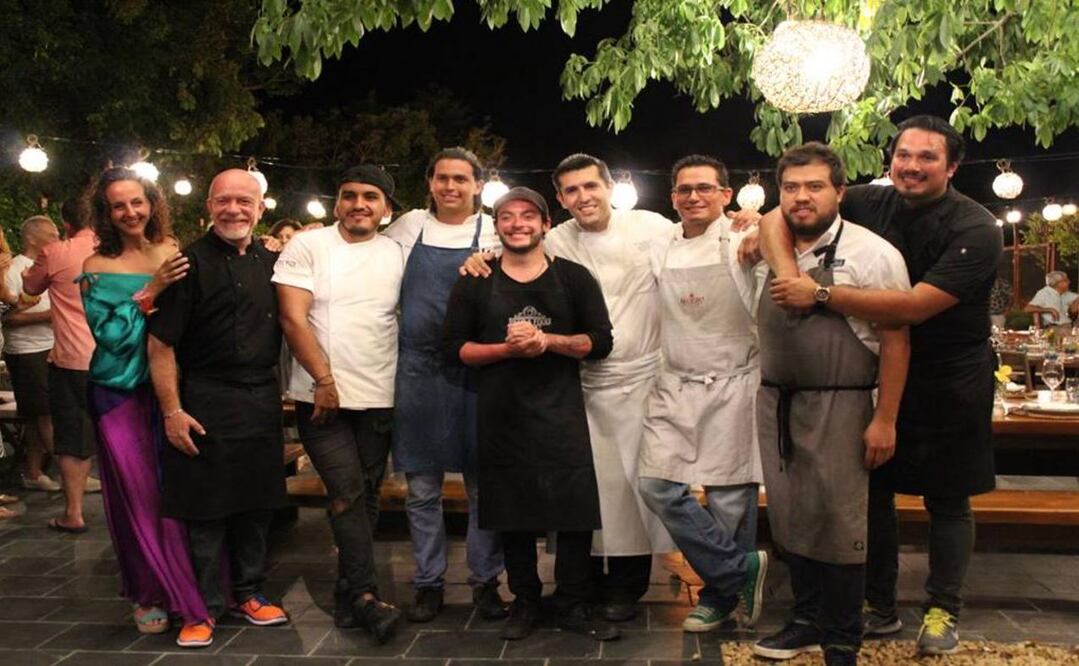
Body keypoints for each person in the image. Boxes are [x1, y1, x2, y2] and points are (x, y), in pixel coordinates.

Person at [761, 115, 1004, 655]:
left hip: (949, 374)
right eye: (904, 155)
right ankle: (879, 603)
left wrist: (818, 294)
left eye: (927, 157)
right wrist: (786, 275)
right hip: (872, 370)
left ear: (953, 166)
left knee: (948, 496)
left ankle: (943, 608)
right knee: (873, 491)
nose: (912, 166)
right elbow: (779, 213)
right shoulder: (873, 200)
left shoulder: (976, 227)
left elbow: (915, 308)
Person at [750, 144, 911, 666]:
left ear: (840, 191)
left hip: (844, 403)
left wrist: (884, 419)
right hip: (777, 401)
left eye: (815, 186)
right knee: (792, 517)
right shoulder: (768, 250)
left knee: (840, 524)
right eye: (792, 187)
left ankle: (842, 635)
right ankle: (806, 618)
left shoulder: (873, 254)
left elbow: (896, 340)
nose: (802, 197)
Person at [442, 187, 618, 642]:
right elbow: (455, 349)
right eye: (506, 217)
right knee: (512, 515)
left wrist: (549, 342)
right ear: (496, 225)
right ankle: (525, 601)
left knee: (575, 514)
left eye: (527, 216)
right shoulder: (474, 281)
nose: (517, 224)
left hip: (561, 414)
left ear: (544, 224)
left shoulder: (574, 278)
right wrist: (507, 348)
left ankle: (573, 602)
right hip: (501, 415)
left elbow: (600, 341)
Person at [148, 169, 290, 648]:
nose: (234, 210)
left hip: (261, 399)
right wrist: (172, 410)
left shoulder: (274, 261)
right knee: (204, 512)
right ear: (209, 205)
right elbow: (161, 344)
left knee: (256, 505)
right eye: (224, 200)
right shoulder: (187, 263)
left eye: (244, 202)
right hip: (204, 398)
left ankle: (248, 593)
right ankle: (201, 608)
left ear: (260, 208)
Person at [274, 165, 406, 643]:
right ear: (336, 203)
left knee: (367, 496)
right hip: (320, 398)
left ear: (387, 207)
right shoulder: (308, 245)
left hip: (380, 394)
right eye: (349, 195)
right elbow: (292, 318)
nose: (359, 204)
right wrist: (324, 379)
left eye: (371, 196)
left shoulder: (397, 252)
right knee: (346, 491)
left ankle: (347, 593)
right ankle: (368, 596)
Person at [636, 155, 768, 634]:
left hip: (734, 381)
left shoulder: (742, 237)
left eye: (704, 188)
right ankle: (740, 570)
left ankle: (717, 597)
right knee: (656, 485)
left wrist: (765, 224)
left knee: (730, 500)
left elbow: (786, 250)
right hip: (675, 381)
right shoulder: (657, 246)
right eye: (684, 190)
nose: (694, 196)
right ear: (672, 197)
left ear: (726, 195)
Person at [78, 167, 211, 642]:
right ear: (106, 214)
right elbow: (111, 337)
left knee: (173, 492)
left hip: (171, 391)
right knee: (138, 496)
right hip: (118, 394)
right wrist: (152, 289)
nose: (130, 212)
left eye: (137, 202)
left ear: (152, 203)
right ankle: (150, 593)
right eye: (118, 205)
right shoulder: (95, 267)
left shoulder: (174, 250)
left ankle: (188, 587)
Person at [381, 148, 507, 623]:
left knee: (483, 487)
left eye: (460, 179)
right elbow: (359, 248)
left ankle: (484, 581)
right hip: (417, 369)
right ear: (429, 182)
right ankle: (428, 582)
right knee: (421, 490)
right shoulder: (408, 226)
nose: (450, 187)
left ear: (478, 185)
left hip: (478, 369)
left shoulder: (497, 229)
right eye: (441, 178)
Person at [23, 198, 102, 534]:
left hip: (72, 359)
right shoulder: (119, 250)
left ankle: (73, 512)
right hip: (119, 358)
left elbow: (29, 287)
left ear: (65, 223)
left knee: (73, 436)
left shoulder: (55, 252)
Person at [4, 216, 61, 493]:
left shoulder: (49, 267)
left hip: (50, 346)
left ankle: (34, 471)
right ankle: (69, 470)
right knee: (45, 413)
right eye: (52, 234)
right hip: (27, 350)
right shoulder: (15, 270)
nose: (57, 239)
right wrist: (49, 316)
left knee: (37, 414)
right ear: (32, 239)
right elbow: (9, 318)